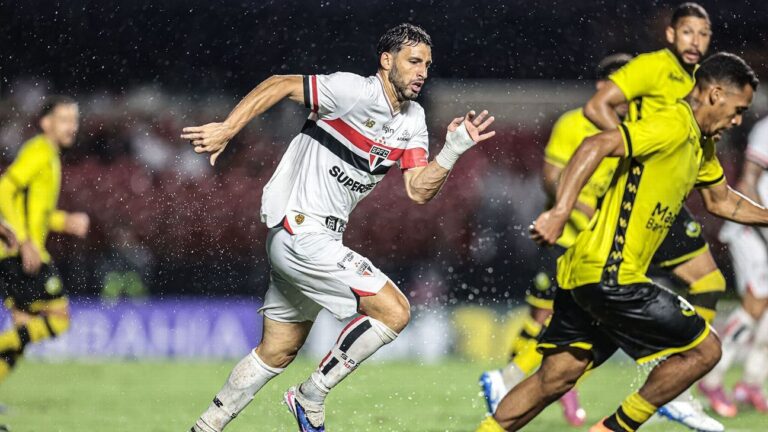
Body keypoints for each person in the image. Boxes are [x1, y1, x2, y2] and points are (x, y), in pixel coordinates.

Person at [183, 23, 496, 432]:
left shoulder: (413, 120)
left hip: (316, 238)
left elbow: (419, 190)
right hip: (300, 230)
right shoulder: (353, 91)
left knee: (277, 351)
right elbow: (279, 84)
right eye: (413, 61)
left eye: (427, 65)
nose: (422, 72)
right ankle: (310, 394)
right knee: (395, 311)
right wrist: (227, 128)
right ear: (387, 61)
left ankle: (206, 426)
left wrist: (453, 149)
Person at [476, 52, 758, 432]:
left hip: (586, 271)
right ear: (714, 94)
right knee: (705, 350)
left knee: (556, 377)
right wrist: (560, 211)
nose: (738, 119)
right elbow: (594, 146)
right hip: (612, 273)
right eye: (737, 108)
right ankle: (614, 429)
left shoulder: (700, 145)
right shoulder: (672, 123)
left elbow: (723, 201)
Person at [583, 3, 726, 429]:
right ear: (670, 35)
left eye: (703, 34)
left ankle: (676, 380)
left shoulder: (697, 82)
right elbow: (597, 107)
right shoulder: (652, 68)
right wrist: (634, 154)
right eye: (687, 32)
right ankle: (676, 382)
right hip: (644, 194)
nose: (695, 41)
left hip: (666, 197)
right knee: (699, 283)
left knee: (706, 283)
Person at [479, 53, 632, 427]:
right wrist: (589, 212)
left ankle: (530, 380)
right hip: (564, 239)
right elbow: (552, 178)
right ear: (602, 87)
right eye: (626, 83)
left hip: (602, 248)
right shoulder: (574, 123)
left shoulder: (634, 128)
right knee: (545, 316)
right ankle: (509, 380)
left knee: (583, 321)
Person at [0, 96, 90, 384]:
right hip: (20, 252)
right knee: (59, 318)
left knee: (23, 332)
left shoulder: (49, 155)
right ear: (45, 123)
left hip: (17, 252)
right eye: (63, 120)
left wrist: (66, 222)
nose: (71, 127)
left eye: (74, 120)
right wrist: (25, 241)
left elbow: (38, 211)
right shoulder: (39, 151)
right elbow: (4, 189)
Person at [698, 115, 768, 416]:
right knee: (756, 303)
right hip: (751, 228)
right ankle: (712, 378)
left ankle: (751, 382)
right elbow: (747, 182)